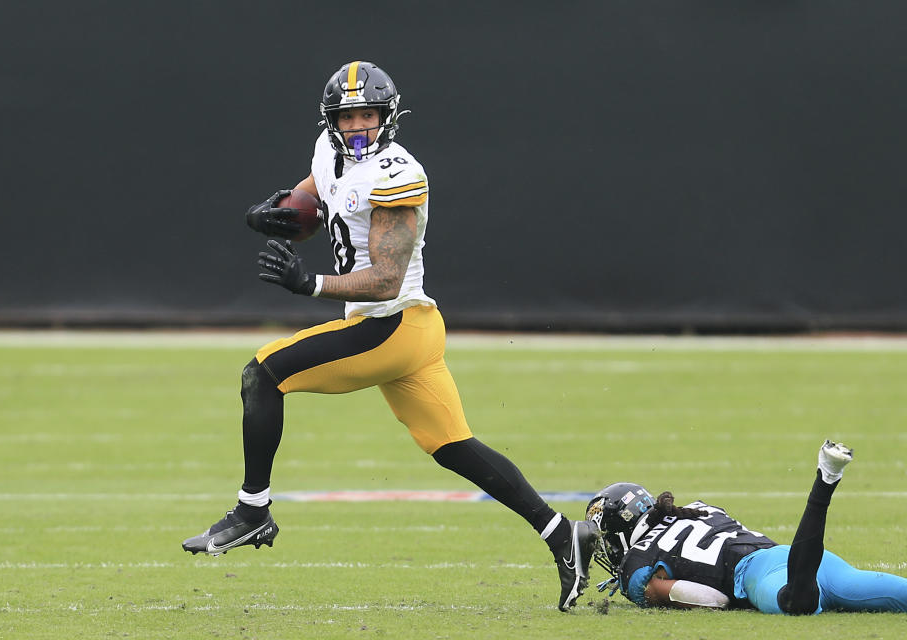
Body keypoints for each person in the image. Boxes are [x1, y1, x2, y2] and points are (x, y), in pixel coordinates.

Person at [182, 60, 594, 611]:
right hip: (409, 330)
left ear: (387, 117)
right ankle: (561, 533)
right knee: (454, 448)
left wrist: (310, 285)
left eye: (367, 115)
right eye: (347, 116)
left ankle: (253, 510)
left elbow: (385, 278)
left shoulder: (397, 172)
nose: (357, 126)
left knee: (263, 373)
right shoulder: (328, 152)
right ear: (332, 120)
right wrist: (275, 212)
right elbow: (312, 197)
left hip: (392, 323)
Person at [586, 439, 907, 613]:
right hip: (791, 557)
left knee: (796, 603)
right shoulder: (694, 509)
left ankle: (826, 479)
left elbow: (711, 599)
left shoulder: (638, 559)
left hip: (762, 576)